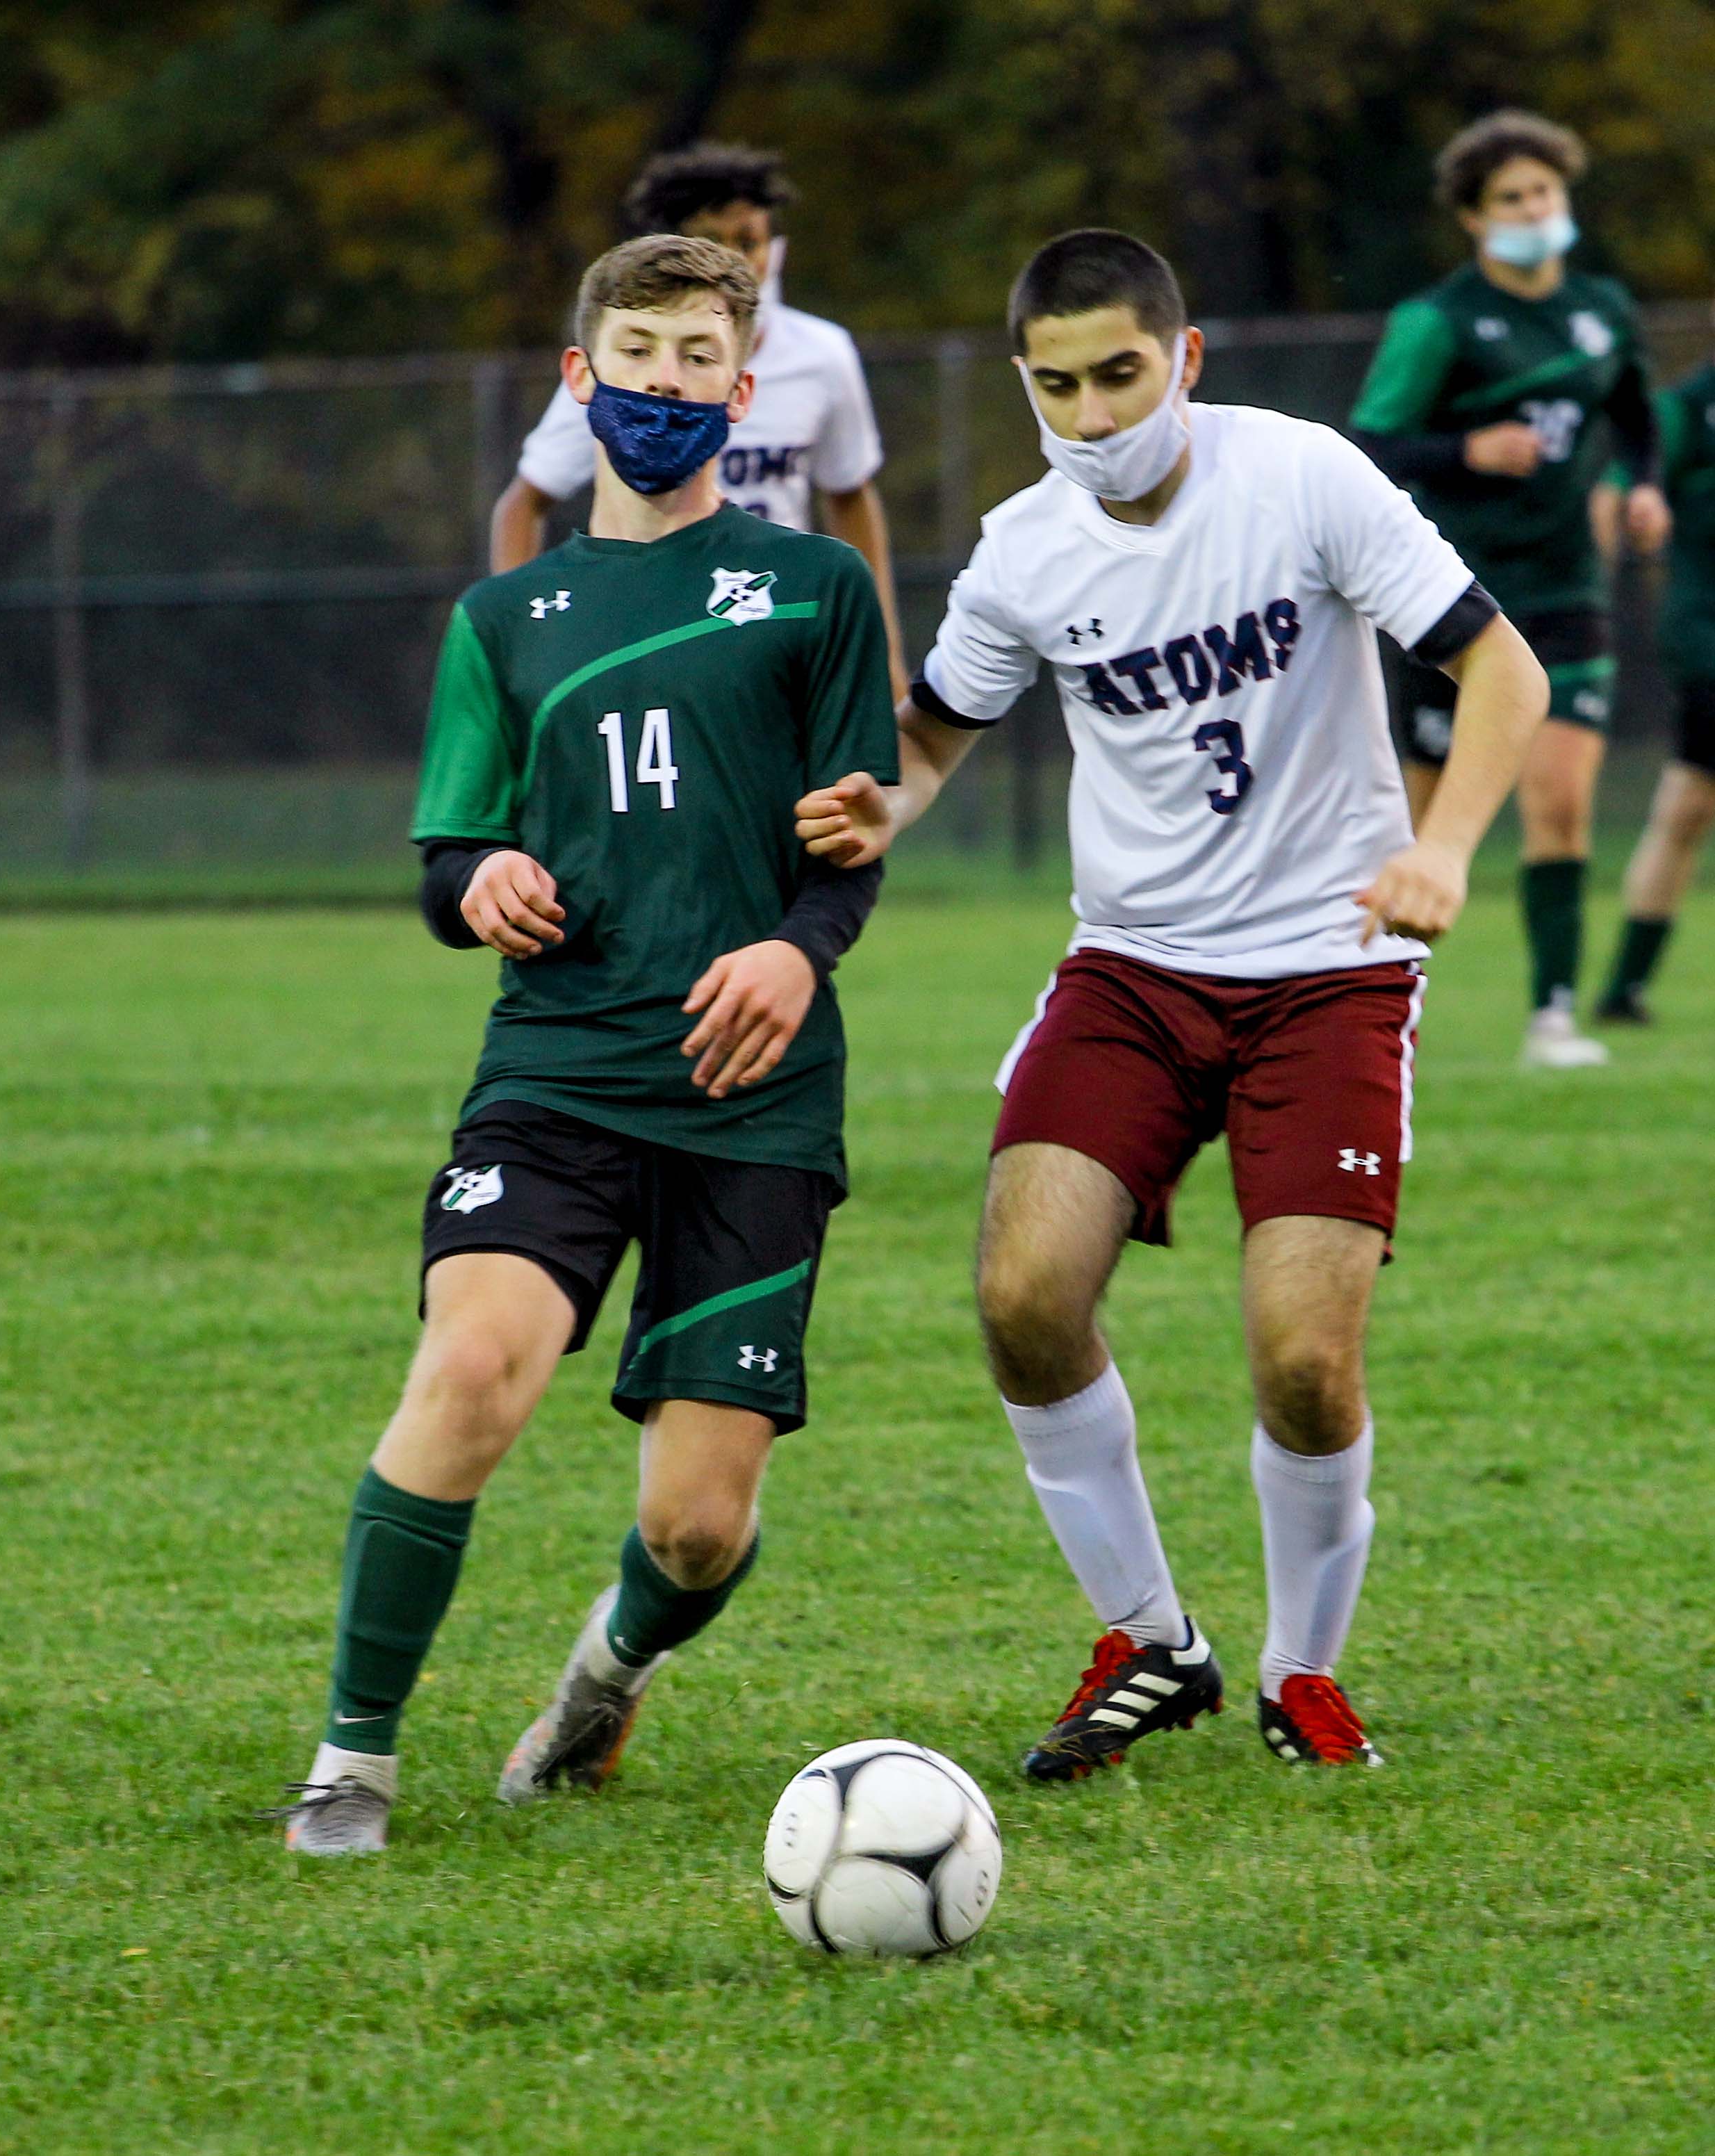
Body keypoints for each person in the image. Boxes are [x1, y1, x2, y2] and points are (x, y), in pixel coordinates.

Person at [797, 229, 1546, 1774]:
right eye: (1055, 387)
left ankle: (1301, 1669)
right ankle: (1151, 1640)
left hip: (1331, 970)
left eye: (1119, 375)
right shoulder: (1021, 548)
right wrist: (891, 807)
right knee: (1022, 1296)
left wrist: (1445, 849)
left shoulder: (1304, 478)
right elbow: (937, 730)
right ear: (1026, 387)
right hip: (1131, 969)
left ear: (1183, 359)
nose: (1091, 415)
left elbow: (1503, 671)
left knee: (1301, 1359)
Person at [271, 234, 898, 1854]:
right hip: (554, 1074)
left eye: (698, 358)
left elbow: (852, 837)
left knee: (695, 1529)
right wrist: (475, 876)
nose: (666, 385)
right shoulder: (503, 616)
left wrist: (792, 944)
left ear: (742, 388)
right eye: (637, 354)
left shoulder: (816, 588)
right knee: (472, 1366)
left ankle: (605, 1677)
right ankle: (353, 1762)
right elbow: (439, 861)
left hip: (752, 1096)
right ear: (580, 377)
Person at [1349, 111, 1670, 1069]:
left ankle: (1554, 1016)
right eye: (1511, 198)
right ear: (1474, 220)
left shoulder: (1602, 310)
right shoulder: (1436, 321)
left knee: (1561, 796)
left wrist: (1641, 485)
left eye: (1545, 192)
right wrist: (1465, 450)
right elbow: (1367, 449)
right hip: (1450, 593)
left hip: (1568, 585)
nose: (1535, 209)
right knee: (1412, 815)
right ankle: (1371, 1009)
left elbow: (1635, 419)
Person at [491, 141, 907, 698]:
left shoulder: (823, 356)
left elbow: (849, 492)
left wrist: (885, 649)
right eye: (714, 240)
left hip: (774, 620)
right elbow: (523, 502)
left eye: (750, 241)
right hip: (659, 624)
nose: (737, 259)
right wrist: (519, 643)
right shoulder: (624, 376)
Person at [1597, 304, 1715, 1021]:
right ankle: (1624, 988)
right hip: (1705, 640)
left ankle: (1622, 991)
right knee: (1686, 807)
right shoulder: (1688, 412)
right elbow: (1618, 490)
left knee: (1686, 806)